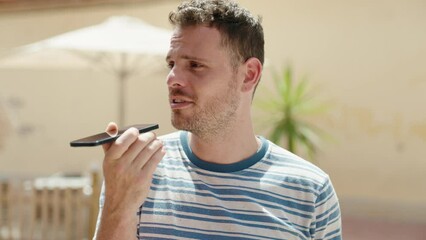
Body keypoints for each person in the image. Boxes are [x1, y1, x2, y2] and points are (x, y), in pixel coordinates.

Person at [94, 0, 342, 239]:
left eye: (195, 65)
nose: (172, 78)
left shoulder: (310, 191)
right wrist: (119, 206)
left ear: (248, 75)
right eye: (171, 63)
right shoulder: (136, 171)